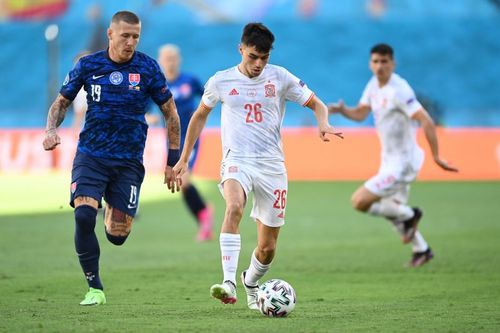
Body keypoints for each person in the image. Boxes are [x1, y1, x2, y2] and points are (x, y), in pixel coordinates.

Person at [172, 22, 343, 310]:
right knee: (234, 206)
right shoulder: (221, 81)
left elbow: (317, 104)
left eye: (264, 58)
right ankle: (228, 282)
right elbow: (199, 116)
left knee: (267, 248)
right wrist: (184, 157)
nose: (259, 64)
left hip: (272, 166)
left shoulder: (280, 78)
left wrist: (323, 122)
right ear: (241, 50)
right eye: (253, 56)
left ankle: (250, 282)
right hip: (236, 160)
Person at [42, 10, 181, 306]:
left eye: (136, 37)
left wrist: (172, 160)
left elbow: (171, 114)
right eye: (125, 36)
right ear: (110, 34)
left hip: (128, 161)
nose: (130, 42)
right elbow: (61, 102)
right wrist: (51, 129)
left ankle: (108, 204)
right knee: (82, 215)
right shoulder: (88, 65)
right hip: (91, 156)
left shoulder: (148, 68)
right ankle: (94, 287)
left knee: (117, 236)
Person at [328, 43, 458, 267]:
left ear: (393, 63)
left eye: (384, 62)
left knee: (360, 201)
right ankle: (422, 250)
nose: (380, 67)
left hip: (403, 163)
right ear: (370, 64)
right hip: (389, 161)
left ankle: (411, 214)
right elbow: (361, 113)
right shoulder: (373, 86)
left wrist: (436, 156)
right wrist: (343, 111)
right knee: (392, 211)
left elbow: (425, 119)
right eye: (376, 62)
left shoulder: (399, 90)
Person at [154, 44, 214, 241]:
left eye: (173, 57)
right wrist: (148, 117)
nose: (170, 61)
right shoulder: (156, 84)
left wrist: (202, 114)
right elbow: (144, 108)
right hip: (171, 142)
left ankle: (205, 218)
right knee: (181, 184)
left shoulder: (190, 81)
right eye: (166, 58)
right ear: (160, 61)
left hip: (191, 140)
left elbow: (209, 97)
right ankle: (204, 215)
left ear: (178, 59)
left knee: (184, 179)